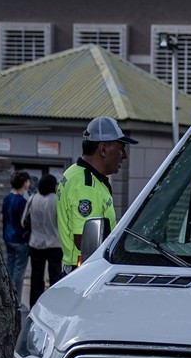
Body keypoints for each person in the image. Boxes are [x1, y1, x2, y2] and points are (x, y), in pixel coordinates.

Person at [57, 116, 137, 274]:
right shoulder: (86, 186)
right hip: (84, 273)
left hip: (76, 269)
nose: (124, 155)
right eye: (121, 148)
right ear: (103, 149)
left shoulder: (74, 172)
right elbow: (86, 242)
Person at [24, 173, 62, 307]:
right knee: (55, 277)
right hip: (55, 244)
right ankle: (53, 305)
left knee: (36, 277)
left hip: (36, 243)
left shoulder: (32, 198)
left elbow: (24, 221)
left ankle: (35, 306)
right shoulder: (57, 200)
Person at [1, 170, 31, 300]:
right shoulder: (22, 201)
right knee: (19, 271)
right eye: (28, 181)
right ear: (24, 183)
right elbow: (24, 222)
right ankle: (16, 300)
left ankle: (6, 296)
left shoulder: (7, 198)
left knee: (9, 267)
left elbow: (2, 217)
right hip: (20, 239)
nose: (29, 183)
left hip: (8, 237)